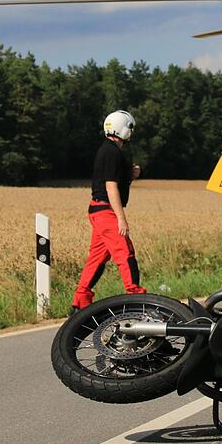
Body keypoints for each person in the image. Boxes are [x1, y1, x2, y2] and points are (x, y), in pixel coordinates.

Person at [71, 110, 146, 312]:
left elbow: (113, 177)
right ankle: (136, 296)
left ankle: (81, 299)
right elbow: (110, 186)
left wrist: (130, 174)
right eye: (131, 128)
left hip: (97, 209)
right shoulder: (112, 151)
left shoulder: (108, 149)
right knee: (125, 251)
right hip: (106, 211)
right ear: (124, 128)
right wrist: (121, 219)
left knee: (98, 256)